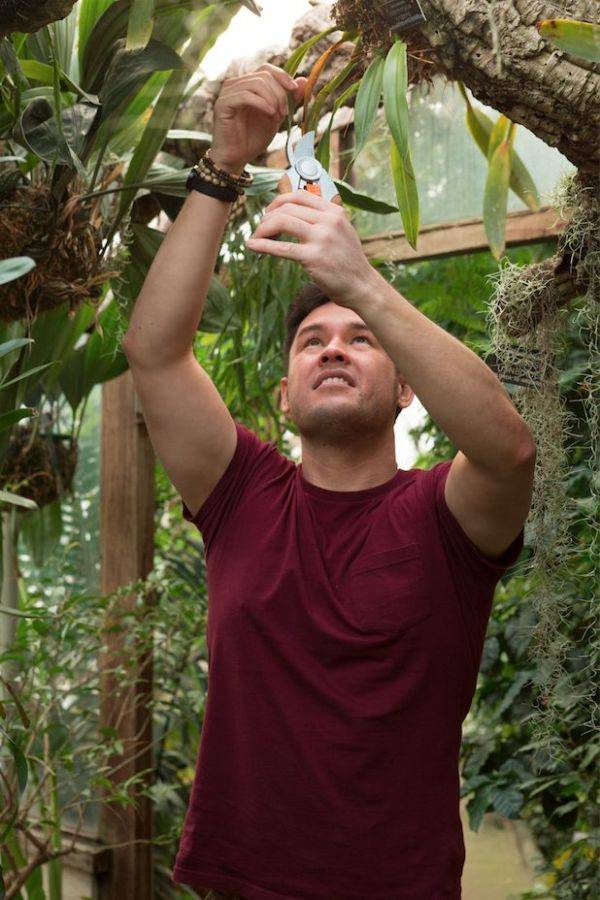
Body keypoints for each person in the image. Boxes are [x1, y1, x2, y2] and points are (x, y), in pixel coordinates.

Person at [122, 63, 536, 900]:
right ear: (285, 395)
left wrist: (360, 280)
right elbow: (154, 354)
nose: (336, 348)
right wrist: (223, 164)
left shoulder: (445, 519)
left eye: (360, 339)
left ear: (405, 387)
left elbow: (510, 451)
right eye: (312, 342)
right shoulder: (242, 496)